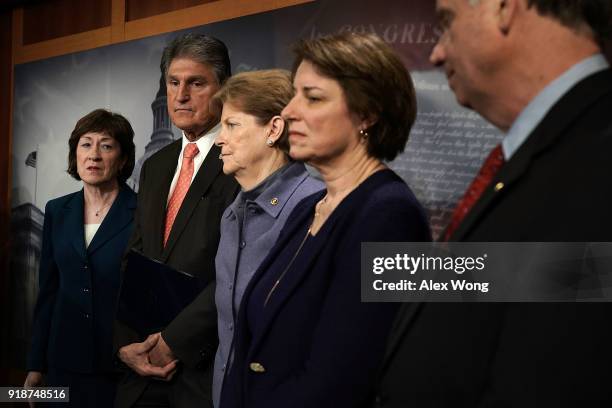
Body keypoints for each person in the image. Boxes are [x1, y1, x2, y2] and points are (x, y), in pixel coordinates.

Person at [377, 1, 612, 407]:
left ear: (504, 8)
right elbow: (510, 280)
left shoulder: (596, 154)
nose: (436, 52)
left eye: (447, 22)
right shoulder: (542, 152)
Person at [219, 32, 431, 408]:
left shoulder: (390, 215)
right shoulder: (309, 208)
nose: (288, 112)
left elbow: (339, 382)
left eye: (312, 98)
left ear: (367, 113)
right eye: (294, 94)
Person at [114, 33, 238, 408]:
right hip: (139, 373)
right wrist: (125, 345)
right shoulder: (155, 165)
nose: (181, 95)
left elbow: (236, 273)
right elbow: (132, 261)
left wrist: (172, 343)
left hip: (202, 373)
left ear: (223, 89)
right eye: (173, 83)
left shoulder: (241, 159)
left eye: (196, 83)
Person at [210, 69, 324, 406]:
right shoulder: (232, 214)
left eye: (232, 125)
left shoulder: (317, 207)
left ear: (273, 129)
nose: (219, 138)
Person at [24, 109, 137, 407]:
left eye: (107, 145)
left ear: (123, 159)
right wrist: (36, 364)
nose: (94, 155)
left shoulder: (142, 212)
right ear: (75, 155)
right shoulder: (56, 211)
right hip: (64, 363)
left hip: (122, 365)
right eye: (86, 144)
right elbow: (48, 292)